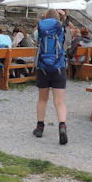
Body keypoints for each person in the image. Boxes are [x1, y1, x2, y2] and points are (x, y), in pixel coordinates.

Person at [34, 9, 69, 145]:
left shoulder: (40, 30)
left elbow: (36, 40)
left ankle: (40, 128)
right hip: (59, 67)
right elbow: (68, 43)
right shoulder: (62, 29)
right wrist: (64, 17)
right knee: (59, 102)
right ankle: (62, 127)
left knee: (43, 99)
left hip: (43, 67)